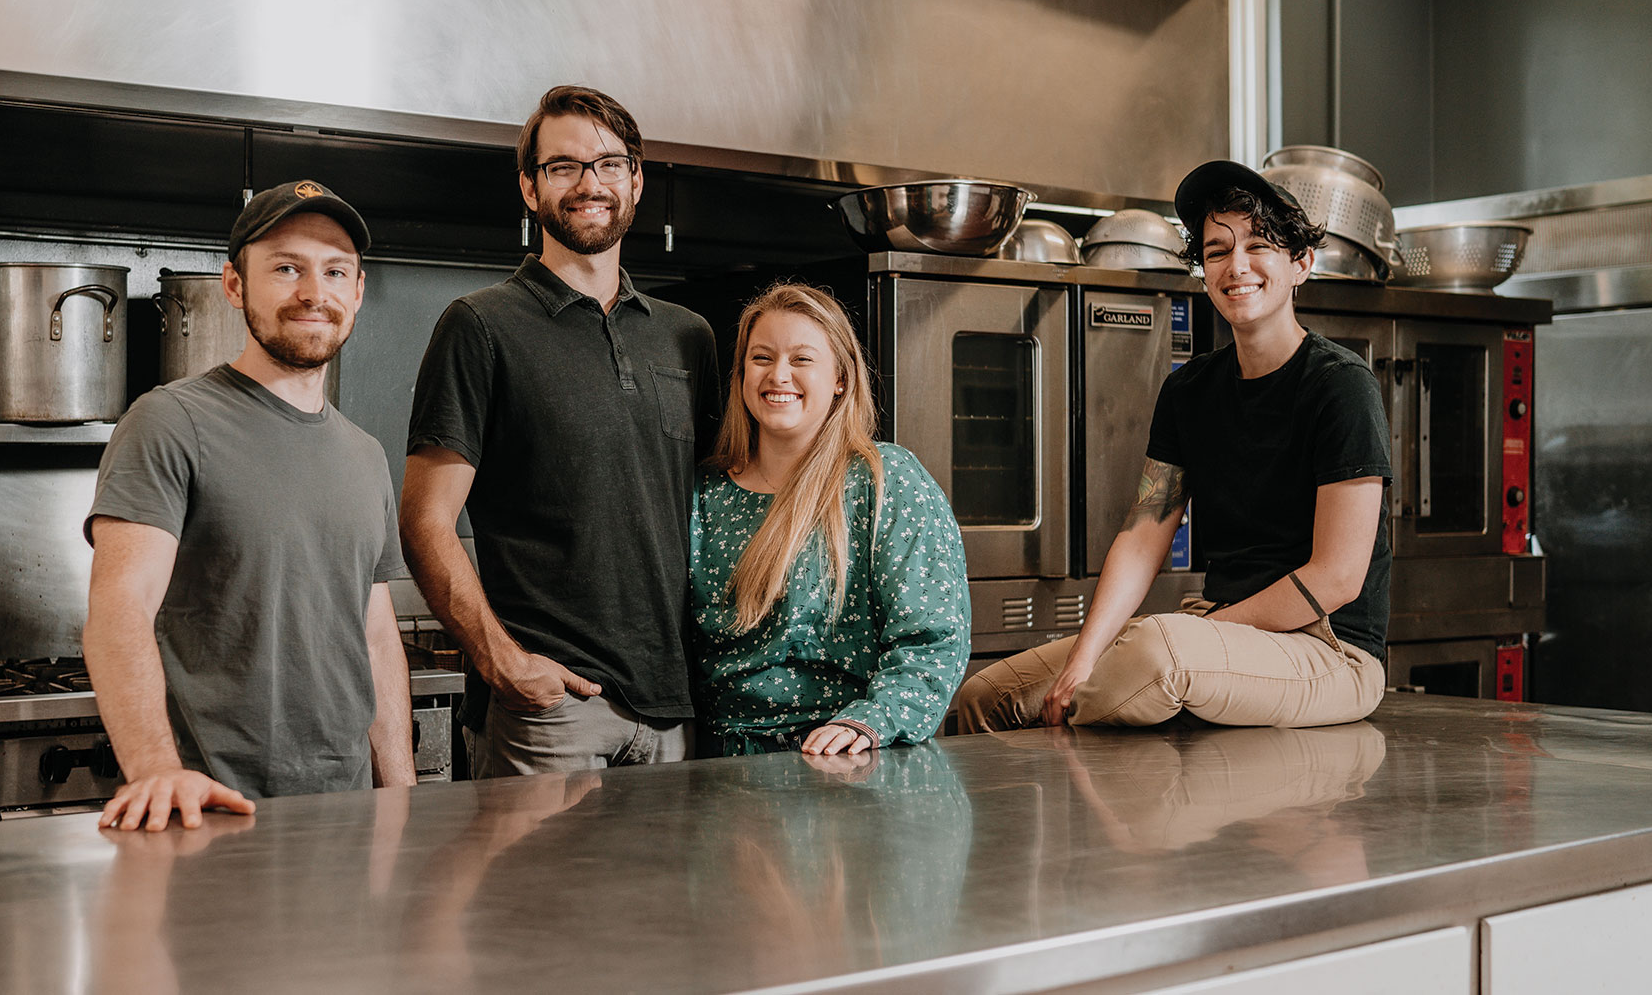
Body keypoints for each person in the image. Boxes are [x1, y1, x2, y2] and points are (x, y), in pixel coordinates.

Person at [955, 160, 1391, 732]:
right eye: (1216, 250)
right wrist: (1084, 655)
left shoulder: (1340, 384)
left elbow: (1337, 576)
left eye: (1259, 246)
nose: (1237, 266)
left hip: (1328, 649)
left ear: (1301, 264)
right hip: (1213, 630)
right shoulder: (1189, 391)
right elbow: (1143, 537)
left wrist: (1213, 631)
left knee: (1156, 654)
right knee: (985, 695)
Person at [402, 85, 720, 777]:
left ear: (636, 181)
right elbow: (426, 520)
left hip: (676, 712)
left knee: (669, 891)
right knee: (537, 892)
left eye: (609, 164)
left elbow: (724, 509)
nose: (589, 184)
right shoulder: (481, 326)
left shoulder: (688, 337)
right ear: (529, 186)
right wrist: (504, 663)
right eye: (563, 166)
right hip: (550, 716)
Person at [84, 179, 415, 831]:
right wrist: (154, 767)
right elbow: (117, 606)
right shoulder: (169, 421)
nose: (313, 293)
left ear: (358, 291)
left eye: (334, 272)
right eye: (286, 268)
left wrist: (403, 794)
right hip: (209, 811)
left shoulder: (366, 454)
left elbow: (375, 637)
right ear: (234, 285)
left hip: (346, 818)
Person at [691, 283, 970, 756]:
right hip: (717, 766)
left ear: (840, 378)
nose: (779, 375)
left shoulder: (885, 480)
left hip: (846, 759)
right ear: (740, 374)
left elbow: (933, 638)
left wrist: (871, 722)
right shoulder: (704, 492)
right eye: (762, 358)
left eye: (802, 360)